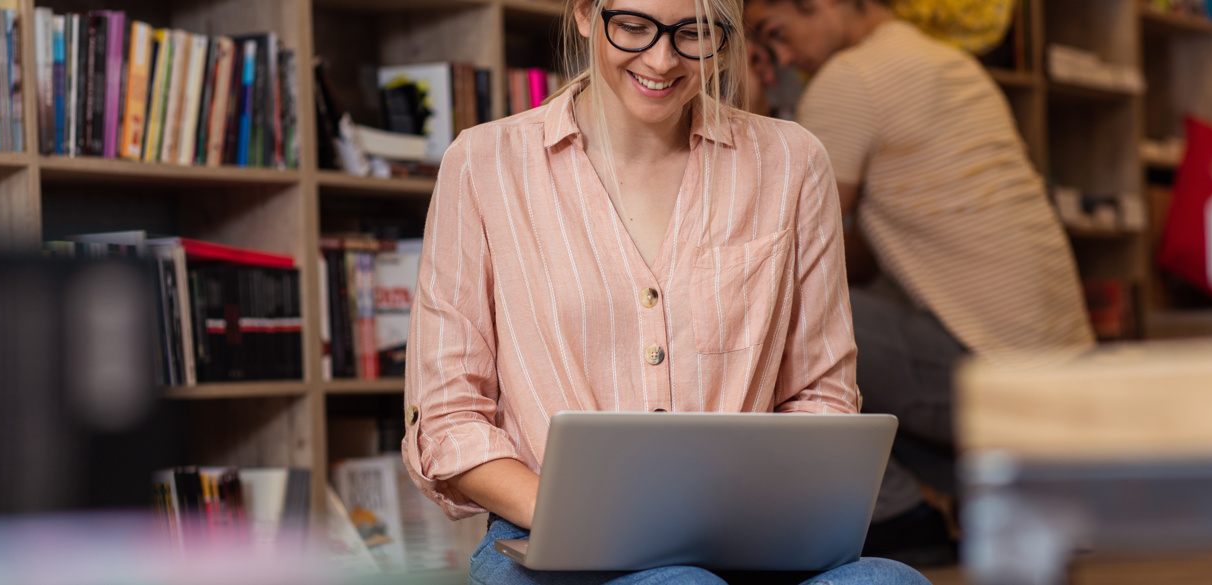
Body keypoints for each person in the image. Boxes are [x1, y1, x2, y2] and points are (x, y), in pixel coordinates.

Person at [400, 0, 933, 580]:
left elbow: (821, 396)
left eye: (693, 34)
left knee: (890, 580)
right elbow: (449, 419)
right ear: (584, 13)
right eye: (633, 27)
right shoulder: (483, 163)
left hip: (739, 532)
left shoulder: (792, 162)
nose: (662, 59)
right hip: (547, 533)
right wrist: (589, 519)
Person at [744, 0, 1096, 563]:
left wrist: (750, 107)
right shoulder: (942, 60)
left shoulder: (848, 78)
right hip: (1068, 383)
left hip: (1000, 377)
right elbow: (853, 257)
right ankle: (1011, 496)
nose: (786, 59)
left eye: (780, 35)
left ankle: (898, 515)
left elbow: (787, 257)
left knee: (770, 313)